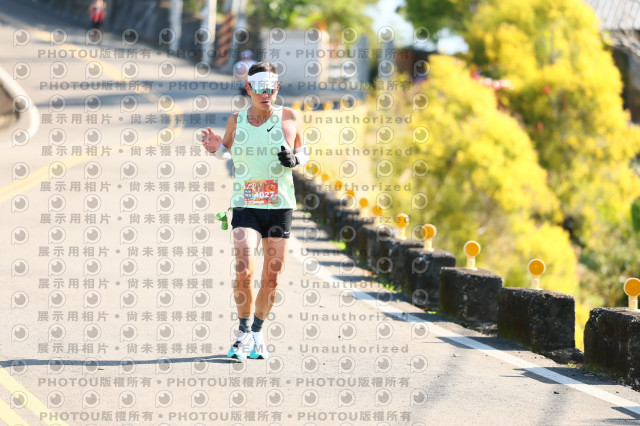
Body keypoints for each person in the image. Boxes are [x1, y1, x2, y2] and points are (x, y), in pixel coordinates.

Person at [200, 62, 310, 360]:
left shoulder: (291, 117)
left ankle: (258, 333)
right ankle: (243, 332)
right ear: (248, 88)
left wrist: (294, 161)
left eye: (270, 88)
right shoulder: (237, 120)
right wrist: (214, 148)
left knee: (272, 278)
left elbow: (303, 153)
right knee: (244, 269)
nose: (265, 94)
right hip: (245, 204)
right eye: (259, 88)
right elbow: (225, 151)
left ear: (277, 88)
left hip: (279, 206)